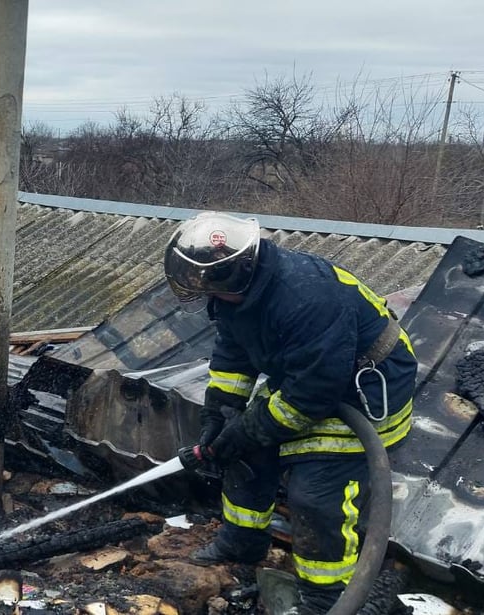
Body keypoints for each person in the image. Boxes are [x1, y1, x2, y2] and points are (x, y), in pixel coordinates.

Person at [164, 211, 416, 615]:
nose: (207, 297)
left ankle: (327, 596)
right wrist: (220, 413)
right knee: (241, 449)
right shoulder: (236, 293)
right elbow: (233, 352)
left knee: (315, 497)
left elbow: (313, 393)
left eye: (210, 288)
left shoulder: (306, 296)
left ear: (234, 274)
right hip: (309, 377)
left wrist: (249, 429)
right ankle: (242, 541)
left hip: (361, 390)